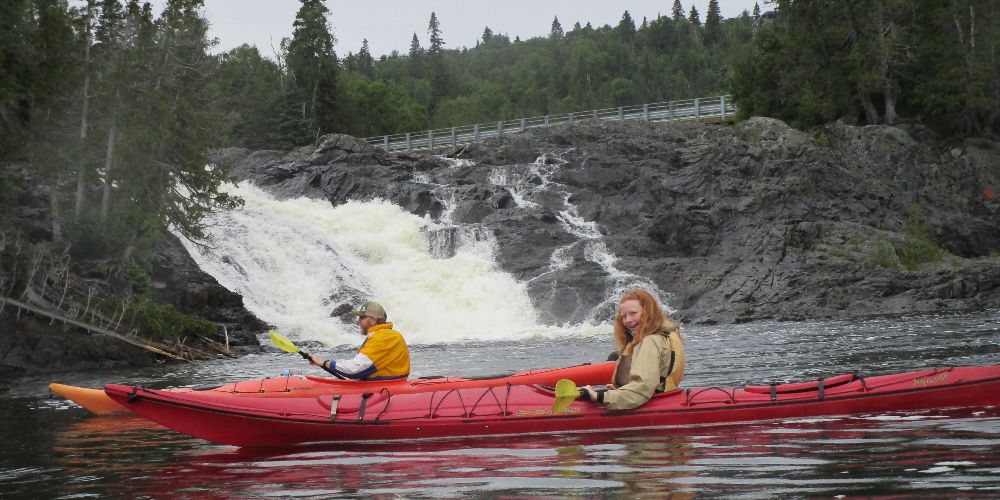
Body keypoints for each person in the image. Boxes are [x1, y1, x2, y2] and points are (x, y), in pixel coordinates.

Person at [581, 289, 685, 410]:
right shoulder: (661, 335)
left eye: (633, 313)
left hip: (651, 403)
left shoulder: (651, 341)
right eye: (624, 316)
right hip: (660, 397)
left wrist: (598, 396)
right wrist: (619, 390)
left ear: (648, 312)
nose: (628, 320)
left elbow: (642, 388)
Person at [306, 300, 410, 380]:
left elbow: (355, 370)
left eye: (361, 318)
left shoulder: (383, 338)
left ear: (373, 320)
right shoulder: (385, 334)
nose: (358, 321)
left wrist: (324, 363)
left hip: (386, 388)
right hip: (389, 384)